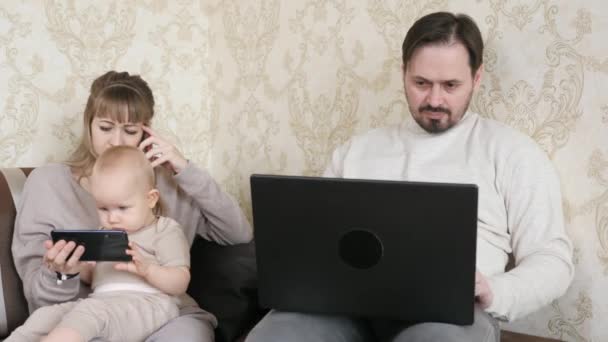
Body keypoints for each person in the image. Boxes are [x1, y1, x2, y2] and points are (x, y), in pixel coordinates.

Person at [245, 11, 573, 342]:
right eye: (421, 83)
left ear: (477, 78)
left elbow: (553, 260)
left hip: (450, 318)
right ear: (403, 74)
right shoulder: (356, 150)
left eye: (450, 85)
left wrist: (493, 290)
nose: (434, 99)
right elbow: (319, 243)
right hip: (346, 309)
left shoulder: (511, 151)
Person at [12, 71, 253, 342]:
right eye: (105, 128)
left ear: (146, 131)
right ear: (88, 123)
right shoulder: (48, 183)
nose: (116, 141)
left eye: (130, 130)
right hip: (86, 317)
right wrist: (64, 274)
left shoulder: (170, 185)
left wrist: (184, 168)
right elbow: (37, 295)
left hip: (165, 315)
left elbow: (238, 233)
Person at [8, 145, 192, 341]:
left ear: (151, 199)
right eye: (103, 208)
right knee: (46, 316)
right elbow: (95, 276)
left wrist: (149, 270)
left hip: (149, 304)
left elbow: (180, 282)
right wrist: (74, 267)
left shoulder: (164, 230)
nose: (112, 218)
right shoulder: (106, 233)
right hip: (102, 300)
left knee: (90, 312)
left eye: (122, 207)